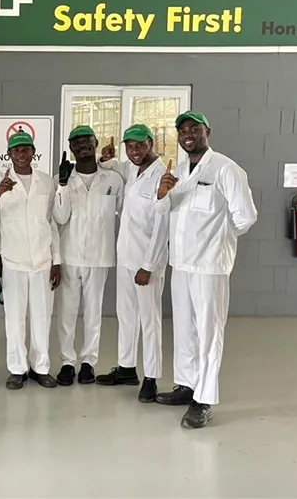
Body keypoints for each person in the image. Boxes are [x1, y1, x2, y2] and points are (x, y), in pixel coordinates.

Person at [154, 111, 257, 428]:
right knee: (183, 327)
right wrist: (163, 193)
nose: (188, 134)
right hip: (181, 263)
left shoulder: (226, 169)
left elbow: (245, 216)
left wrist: (219, 240)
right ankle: (186, 385)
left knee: (209, 332)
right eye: (182, 130)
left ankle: (204, 398)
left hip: (210, 266)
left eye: (193, 129)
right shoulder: (180, 170)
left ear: (206, 132)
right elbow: (171, 211)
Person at [0, 131, 62, 390]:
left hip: (42, 260)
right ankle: (17, 369)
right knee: (14, 318)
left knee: (42, 317)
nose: (21, 154)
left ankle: (41, 367)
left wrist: (56, 260)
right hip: (13, 261)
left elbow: (52, 223)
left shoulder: (46, 182)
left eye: (26, 149)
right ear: (9, 154)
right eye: (16, 150)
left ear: (33, 152)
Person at [94, 125, 169, 403]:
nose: (135, 151)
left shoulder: (162, 175)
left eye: (140, 145)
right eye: (130, 146)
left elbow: (163, 226)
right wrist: (106, 157)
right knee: (126, 316)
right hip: (126, 258)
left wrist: (148, 265)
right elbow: (109, 164)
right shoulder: (131, 169)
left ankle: (151, 377)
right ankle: (126, 368)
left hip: (146, 263)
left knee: (149, 321)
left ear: (151, 144)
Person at [53, 125, 124, 386]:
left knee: (93, 312)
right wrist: (61, 185)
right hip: (70, 255)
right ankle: (67, 363)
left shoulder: (113, 179)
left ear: (96, 143)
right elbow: (59, 218)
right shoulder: (63, 178)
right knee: (67, 312)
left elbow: (123, 213)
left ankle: (88, 363)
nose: (83, 145)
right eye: (76, 142)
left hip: (99, 256)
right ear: (70, 148)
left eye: (87, 140)